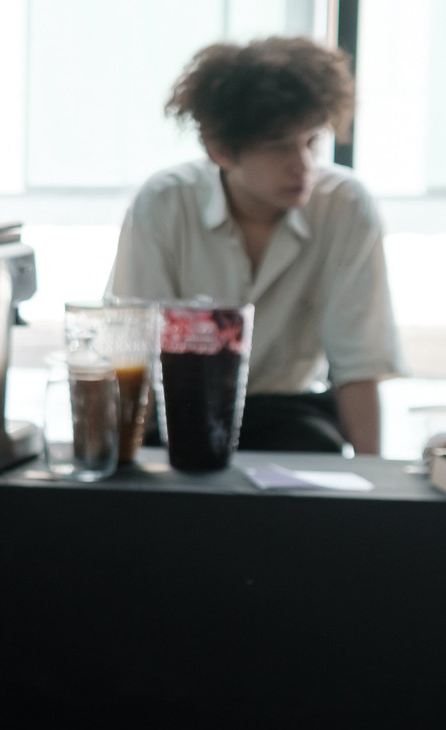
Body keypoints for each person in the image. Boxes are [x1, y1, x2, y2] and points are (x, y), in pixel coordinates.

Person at [109, 37, 404, 454]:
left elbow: (358, 361)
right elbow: (132, 343)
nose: (303, 165)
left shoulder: (345, 206)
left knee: (314, 451)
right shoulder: (164, 203)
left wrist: (376, 488)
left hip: (292, 414)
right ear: (221, 151)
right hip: (178, 408)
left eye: (311, 142)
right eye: (280, 146)